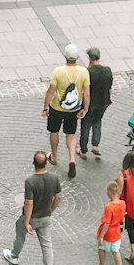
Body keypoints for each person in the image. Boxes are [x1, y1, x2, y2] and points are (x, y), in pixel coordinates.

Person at [3, 150, 62, 265]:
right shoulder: (54, 178)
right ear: (46, 163)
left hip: (32, 217)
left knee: (20, 233)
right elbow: (58, 196)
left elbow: (29, 203)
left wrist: (26, 221)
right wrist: (51, 210)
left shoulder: (30, 181)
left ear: (33, 163)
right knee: (47, 246)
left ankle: (14, 255)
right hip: (46, 217)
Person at [44, 44, 90, 178]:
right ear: (77, 57)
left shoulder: (58, 71)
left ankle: (54, 156)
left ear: (65, 56)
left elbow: (51, 91)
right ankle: (72, 159)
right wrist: (85, 109)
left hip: (57, 107)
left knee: (54, 131)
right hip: (74, 108)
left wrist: (45, 107)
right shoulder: (83, 72)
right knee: (71, 134)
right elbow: (86, 93)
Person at [79, 46, 113, 158]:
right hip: (103, 103)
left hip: (91, 104)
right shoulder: (107, 70)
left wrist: (85, 107)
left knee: (86, 126)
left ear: (89, 58)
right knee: (97, 122)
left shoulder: (87, 72)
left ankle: (83, 150)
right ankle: (95, 145)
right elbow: (109, 87)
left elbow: (85, 92)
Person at [91, 180, 127, 265]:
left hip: (108, 234)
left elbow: (107, 223)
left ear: (110, 193)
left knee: (102, 248)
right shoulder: (123, 203)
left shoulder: (109, 207)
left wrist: (101, 236)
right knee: (116, 251)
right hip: (117, 233)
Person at [116, 150, 134, 265]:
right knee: (131, 228)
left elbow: (119, 191)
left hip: (124, 206)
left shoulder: (123, 174)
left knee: (117, 227)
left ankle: (112, 247)